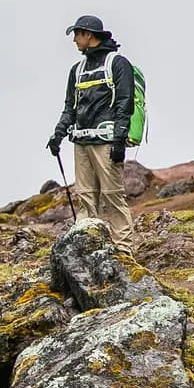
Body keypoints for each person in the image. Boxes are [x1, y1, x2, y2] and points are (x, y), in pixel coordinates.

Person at [47, 14, 135, 242]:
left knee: (113, 197)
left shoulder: (117, 63)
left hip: (106, 143)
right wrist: (58, 134)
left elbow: (124, 104)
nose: (75, 39)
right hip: (81, 143)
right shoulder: (76, 70)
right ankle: (88, 250)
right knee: (85, 198)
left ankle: (123, 253)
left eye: (77, 34)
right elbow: (70, 107)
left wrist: (119, 141)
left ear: (89, 35)